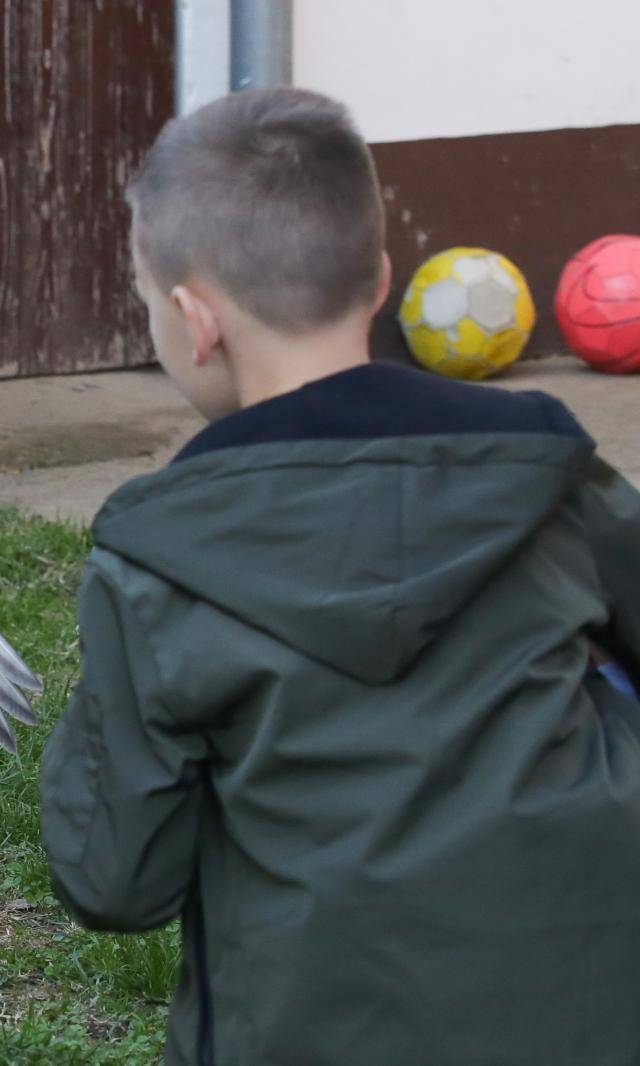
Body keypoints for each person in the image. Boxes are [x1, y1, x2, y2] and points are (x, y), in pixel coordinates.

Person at [39, 87, 640, 1066]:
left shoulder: (155, 561)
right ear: (380, 277)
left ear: (195, 321)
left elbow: (115, 877)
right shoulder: (550, 478)